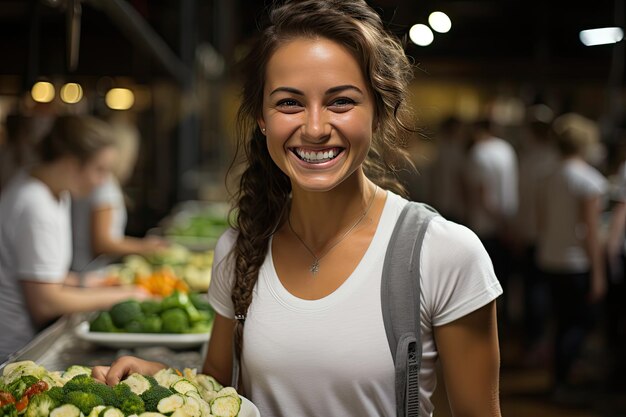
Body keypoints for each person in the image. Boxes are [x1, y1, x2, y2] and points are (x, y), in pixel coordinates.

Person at [92, 1, 503, 416]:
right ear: (262, 119)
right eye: (289, 103)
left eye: (341, 102)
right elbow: (219, 390)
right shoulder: (239, 250)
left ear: (379, 111)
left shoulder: (443, 254)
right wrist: (161, 378)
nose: (315, 128)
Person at [0, 114, 149, 363]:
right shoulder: (34, 204)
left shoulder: (55, 192)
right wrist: (125, 295)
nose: (103, 182)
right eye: (99, 170)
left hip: (27, 341)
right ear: (71, 163)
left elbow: (38, 273)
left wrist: (87, 282)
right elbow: (45, 303)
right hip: (13, 349)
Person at [535, 112, 607, 399]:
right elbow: (591, 232)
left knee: (561, 322)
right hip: (576, 261)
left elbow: (541, 223)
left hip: (550, 258)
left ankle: (559, 379)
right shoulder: (589, 180)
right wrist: (599, 273)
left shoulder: (547, 177)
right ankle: (563, 382)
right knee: (580, 323)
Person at [70, 117, 167, 273]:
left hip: (84, 270)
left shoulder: (101, 181)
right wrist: (145, 247)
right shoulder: (104, 186)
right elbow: (102, 243)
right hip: (90, 272)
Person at [463, 117, 518, 324]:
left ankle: (488, 325)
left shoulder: (478, 153)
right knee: (505, 278)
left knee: (485, 283)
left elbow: (481, 195)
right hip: (508, 221)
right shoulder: (506, 149)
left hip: (485, 226)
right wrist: (507, 224)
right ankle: (506, 321)